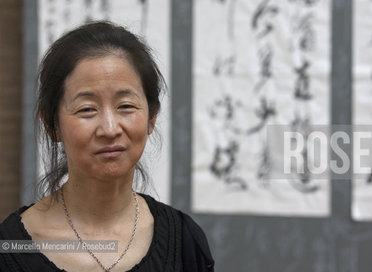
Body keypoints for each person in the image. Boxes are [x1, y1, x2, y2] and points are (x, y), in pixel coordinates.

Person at [0, 21, 214, 271]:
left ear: (151, 117)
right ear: (51, 124)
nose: (110, 128)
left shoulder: (185, 242)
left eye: (126, 106)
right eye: (87, 109)